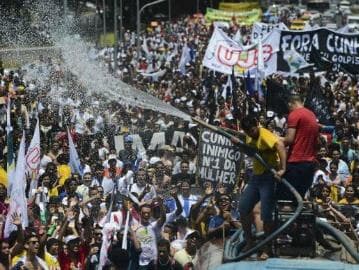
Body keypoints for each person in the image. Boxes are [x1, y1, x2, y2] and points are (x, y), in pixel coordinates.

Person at [233, 115, 287, 259]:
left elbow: (280, 146)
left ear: (256, 125)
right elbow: (251, 152)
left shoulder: (265, 135)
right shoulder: (249, 136)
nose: (251, 133)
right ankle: (249, 241)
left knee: (265, 215)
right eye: (248, 132)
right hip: (256, 177)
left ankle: (266, 248)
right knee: (243, 207)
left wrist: (282, 169)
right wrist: (239, 144)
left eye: (252, 130)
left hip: (269, 177)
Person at [280, 94, 319, 200]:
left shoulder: (294, 114)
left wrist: (275, 138)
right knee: (298, 199)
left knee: (285, 199)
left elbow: (289, 140)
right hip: (309, 164)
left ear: (290, 103)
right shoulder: (312, 115)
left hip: (295, 163)